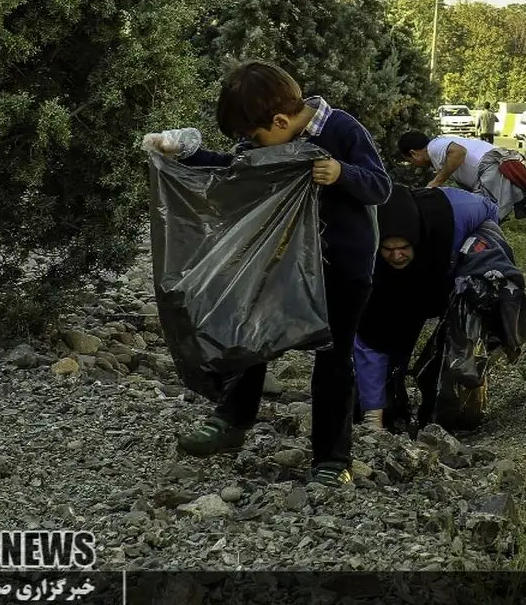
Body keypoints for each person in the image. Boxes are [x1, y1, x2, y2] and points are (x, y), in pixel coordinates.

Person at [140, 60, 391, 488]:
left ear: (279, 121)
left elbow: (380, 186)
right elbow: (232, 170)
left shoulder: (342, 130)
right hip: (281, 263)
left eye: (252, 137)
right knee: (250, 332)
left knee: (334, 358)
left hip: (342, 268)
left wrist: (341, 173)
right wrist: (183, 152)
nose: (249, 145)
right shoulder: (269, 141)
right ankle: (232, 421)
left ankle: (332, 458)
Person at [353, 184, 499, 433]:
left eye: (403, 248)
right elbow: (370, 342)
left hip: (440, 266)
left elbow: (492, 212)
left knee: (452, 341)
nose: (397, 255)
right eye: (389, 249)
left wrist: (473, 260)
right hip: (388, 282)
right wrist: (372, 420)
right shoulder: (364, 248)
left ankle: (447, 409)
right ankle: (378, 410)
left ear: (416, 241)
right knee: (379, 338)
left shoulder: (460, 212)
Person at [397, 131, 526, 221]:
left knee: (483, 219)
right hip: (493, 169)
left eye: (410, 160)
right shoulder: (439, 144)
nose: (414, 164)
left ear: (414, 153)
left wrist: (437, 181)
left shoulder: (434, 148)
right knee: (486, 218)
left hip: (491, 169)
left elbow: (459, 152)